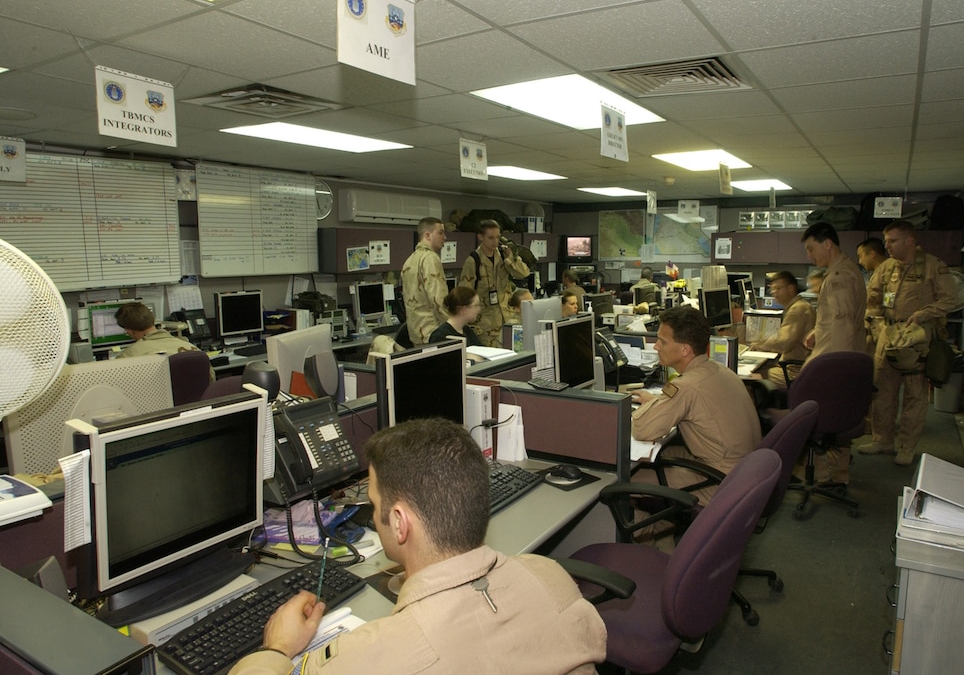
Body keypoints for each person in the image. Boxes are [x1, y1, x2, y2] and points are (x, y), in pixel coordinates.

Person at [230, 418, 606, 675]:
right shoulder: (550, 576)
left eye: (374, 505)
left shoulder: (375, 656)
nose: (374, 516)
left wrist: (276, 649)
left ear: (398, 522)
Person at [631, 306, 762, 505]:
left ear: (685, 349)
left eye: (662, 341)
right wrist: (656, 402)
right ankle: (659, 533)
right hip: (743, 472)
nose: (656, 346)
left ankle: (640, 532)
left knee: (631, 479)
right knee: (656, 456)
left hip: (720, 483)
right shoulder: (719, 370)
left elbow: (642, 430)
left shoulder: (686, 386)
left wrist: (641, 409)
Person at [858, 220, 960, 466]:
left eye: (892, 241)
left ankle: (906, 446)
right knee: (882, 391)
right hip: (888, 333)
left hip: (917, 337)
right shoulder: (885, 269)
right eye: (886, 241)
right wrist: (875, 322)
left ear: (909, 241)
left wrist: (925, 313)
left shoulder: (934, 267)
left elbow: (952, 299)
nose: (887, 246)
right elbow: (872, 298)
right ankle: (882, 440)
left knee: (915, 395)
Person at [799, 222, 866, 486]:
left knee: (813, 410)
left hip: (834, 361)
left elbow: (842, 328)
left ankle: (824, 474)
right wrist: (818, 330)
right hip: (845, 357)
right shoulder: (848, 271)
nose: (809, 256)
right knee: (840, 417)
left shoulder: (838, 278)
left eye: (811, 249)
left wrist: (822, 367)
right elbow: (841, 319)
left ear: (828, 244)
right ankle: (839, 473)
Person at [459, 220, 531, 347]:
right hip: (486, 326)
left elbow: (524, 273)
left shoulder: (504, 256)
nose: (495, 241)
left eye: (498, 237)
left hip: (509, 320)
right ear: (481, 237)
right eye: (491, 238)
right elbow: (464, 295)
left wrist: (511, 258)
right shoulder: (473, 261)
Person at [114, 303, 214, 380]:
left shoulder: (129, 356)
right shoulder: (192, 348)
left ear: (129, 331)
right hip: (198, 404)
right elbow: (211, 379)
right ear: (152, 320)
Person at [749, 272, 815, 386]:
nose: (774, 292)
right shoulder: (800, 306)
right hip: (798, 366)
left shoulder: (797, 310)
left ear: (791, 288)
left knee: (749, 377)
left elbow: (784, 342)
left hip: (793, 371)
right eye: (773, 289)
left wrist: (759, 345)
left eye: (778, 288)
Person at [401, 217, 450, 346]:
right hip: (433, 332)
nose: (444, 237)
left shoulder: (409, 261)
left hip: (416, 333)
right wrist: (453, 326)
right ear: (427, 235)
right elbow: (438, 299)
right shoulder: (430, 258)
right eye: (440, 232)